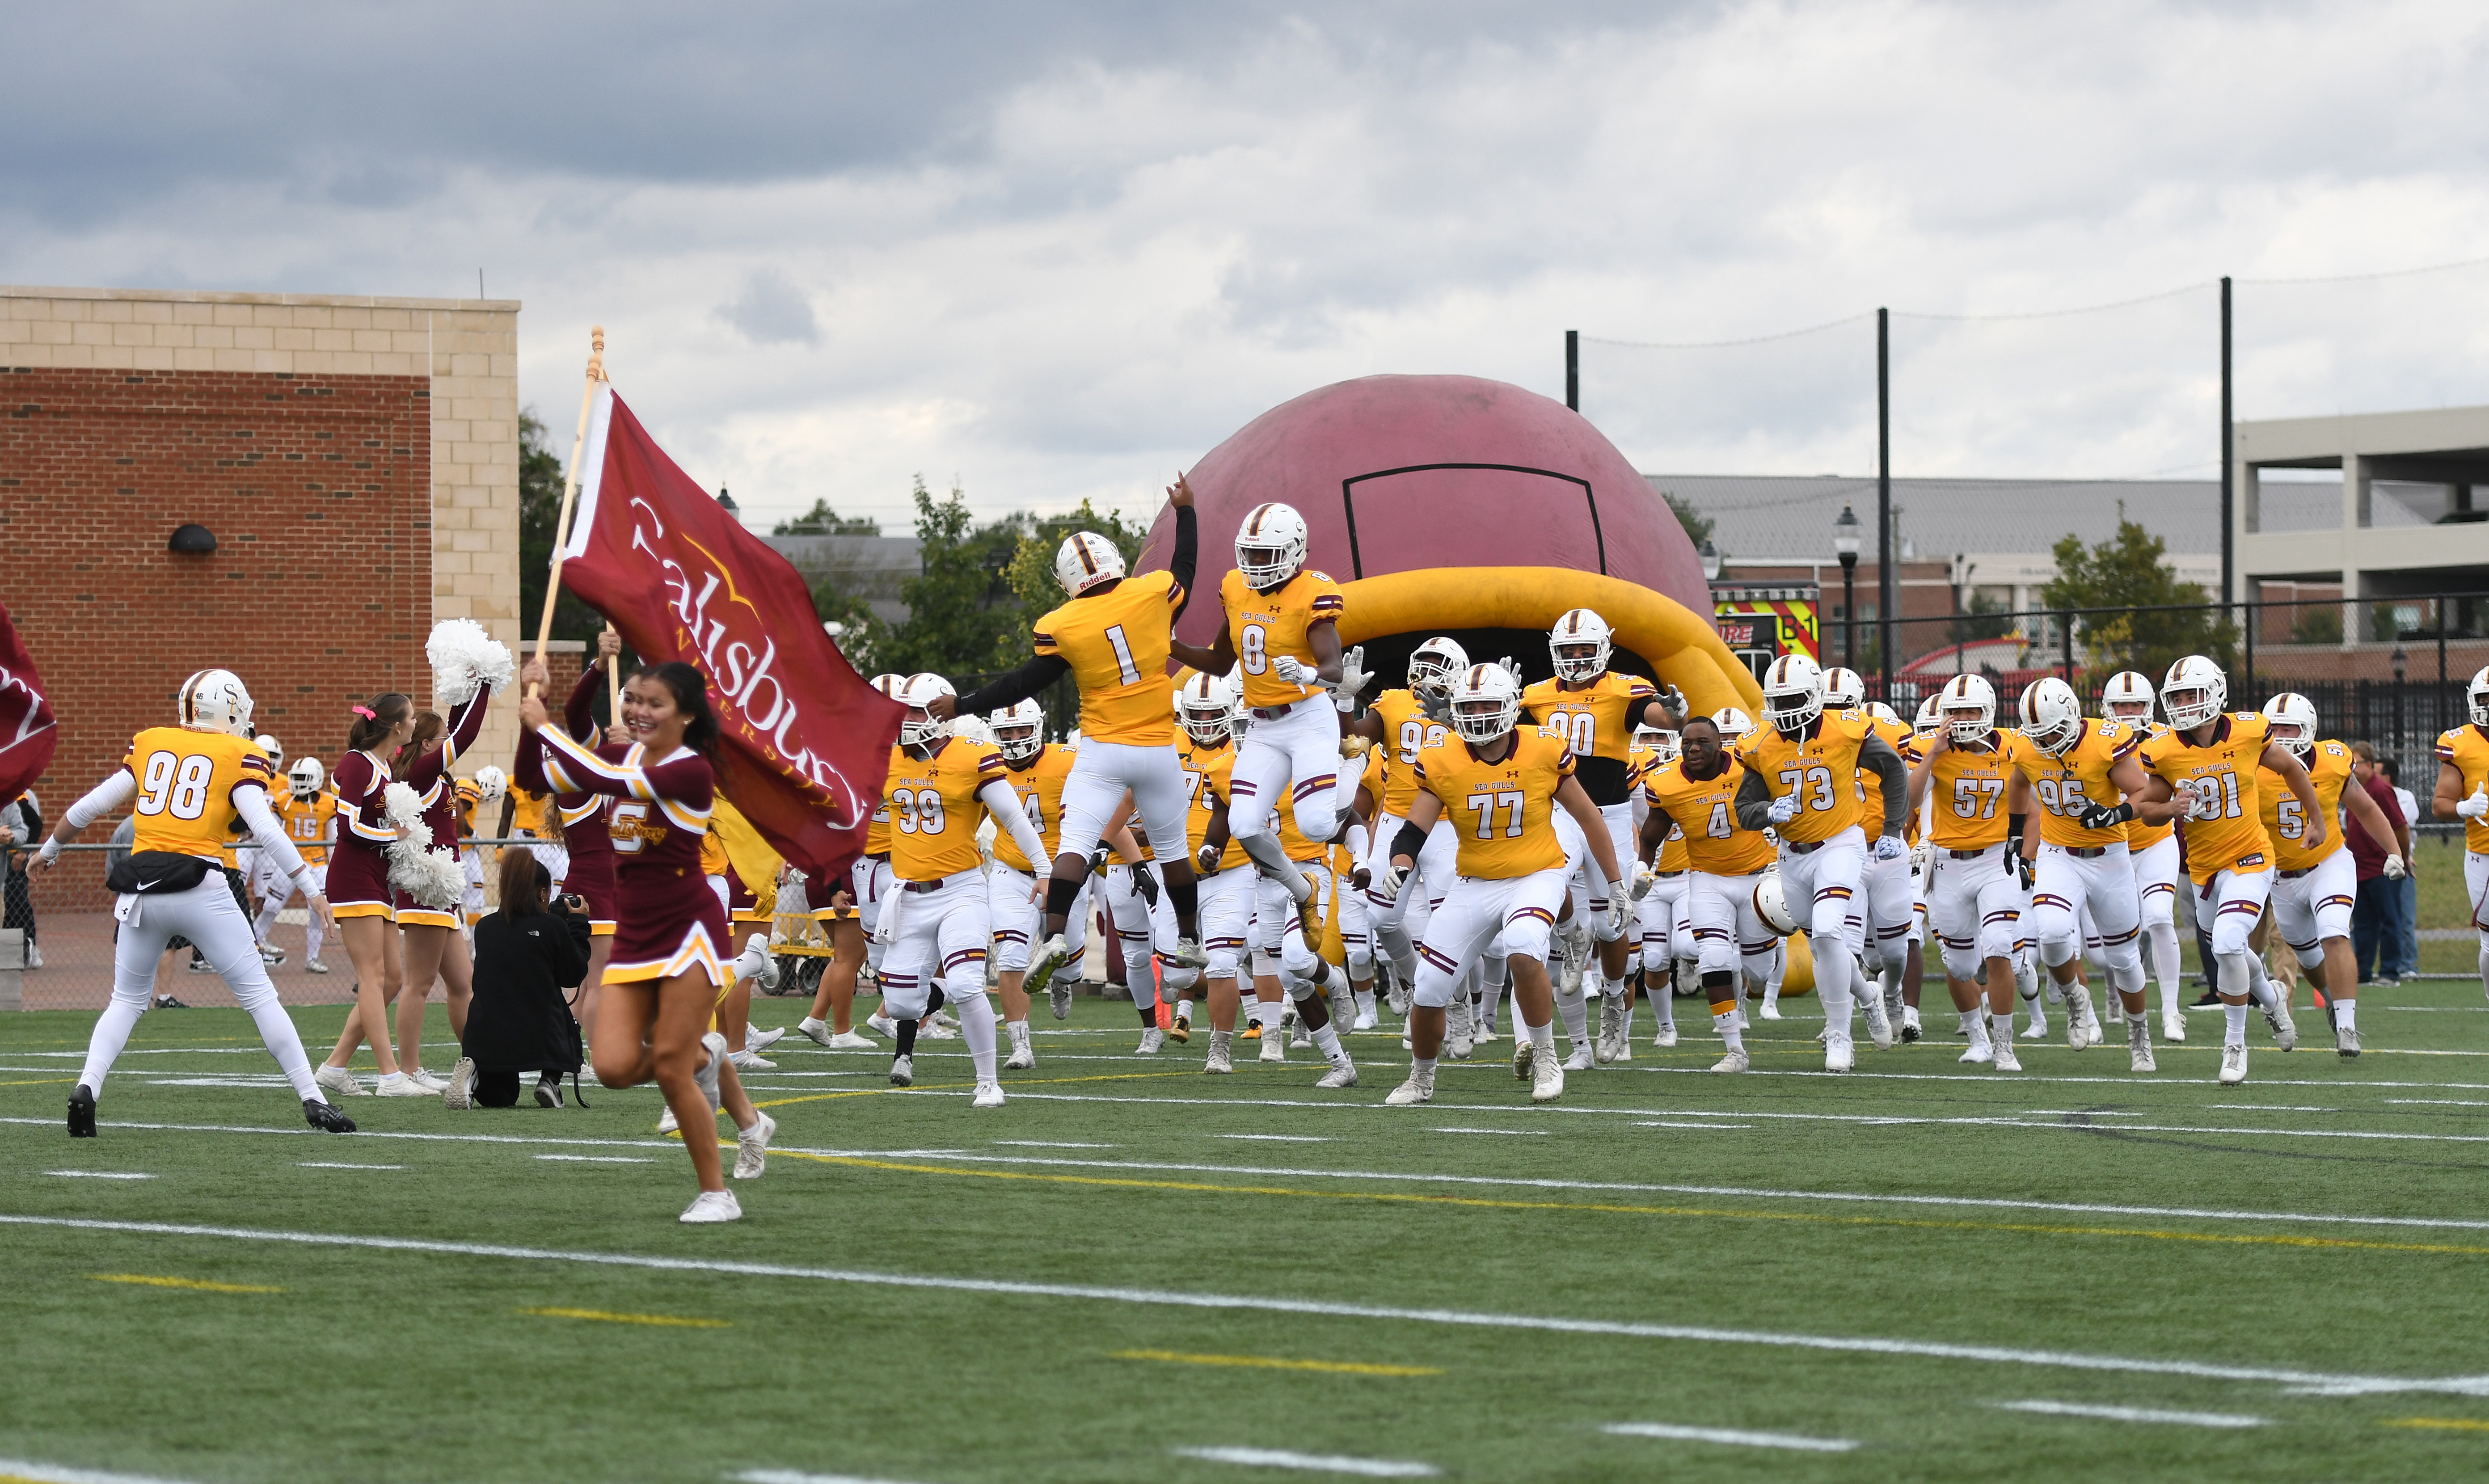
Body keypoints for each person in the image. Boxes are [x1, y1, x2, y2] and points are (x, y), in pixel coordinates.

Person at [35, 669, 354, 1136]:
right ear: (228, 710)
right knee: (261, 997)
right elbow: (265, 829)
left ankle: (88, 1086)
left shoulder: (150, 742)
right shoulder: (240, 752)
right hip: (201, 884)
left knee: (125, 1000)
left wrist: (49, 849)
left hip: (141, 887)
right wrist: (311, 887)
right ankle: (313, 1097)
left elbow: (93, 805)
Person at [518, 658, 769, 1223]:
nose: (637, 709)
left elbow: (615, 782)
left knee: (674, 1066)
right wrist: (527, 718)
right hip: (635, 933)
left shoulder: (691, 769)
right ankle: (708, 1054)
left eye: (653, 702)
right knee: (610, 1067)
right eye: (632, 699)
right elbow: (539, 778)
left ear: (685, 714)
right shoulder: (617, 754)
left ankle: (717, 1192)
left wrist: (547, 727)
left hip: (689, 930)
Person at [938, 476, 1210, 988]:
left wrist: (963, 703)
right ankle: (1191, 939)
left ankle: (1056, 934)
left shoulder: (1061, 623)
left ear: (1066, 578)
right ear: (1115, 560)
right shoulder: (1151, 592)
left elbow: (1023, 683)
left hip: (1103, 749)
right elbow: (1186, 569)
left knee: (1077, 844)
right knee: (1173, 850)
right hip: (1157, 747)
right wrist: (1186, 513)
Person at [1379, 663, 1626, 1106]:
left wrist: (1615, 882)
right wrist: (1400, 862)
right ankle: (1421, 1078)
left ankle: (1547, 1058)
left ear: (1511, 706)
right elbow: (1414, 827)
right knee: (1431, 984)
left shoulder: (1542, 747)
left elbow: (1589, 816)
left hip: (1538, 872)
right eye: (1470, 706)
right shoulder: (1442, 755)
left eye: (1487, 704)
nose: (1478, 714)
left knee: (1522, 943)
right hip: (1475, 881)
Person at [1168, 500, 1358, 936]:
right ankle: (1303, 890)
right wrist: (1169, 645)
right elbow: (1219, 661)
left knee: (1316, 823)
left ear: (1294, 551)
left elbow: (1334, 667)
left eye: (1264, 554)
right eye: (1248, 553)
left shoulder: (1313, 593)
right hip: (1262, 724)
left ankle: (1354, 764)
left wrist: (1309, 673)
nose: (1253, 564)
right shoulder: (1236, 588)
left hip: (1308, 716)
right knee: (1244, 823)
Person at [2131, 655, 2323, 1086]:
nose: (2182, 704)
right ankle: (2271, 997)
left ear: (2215, 693)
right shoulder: (2164, 749)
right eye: (2176, 696)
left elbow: (2293, 768)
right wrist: (2170, 808)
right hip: (2204, 868)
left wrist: (2318, 819)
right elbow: (2145, 810)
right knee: (2233, 950)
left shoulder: (2249, 730)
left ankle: (2235, 1045)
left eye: (2190, 694)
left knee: (2228, 943)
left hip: (2252, 856)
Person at [1517, 608, 1687, 1071]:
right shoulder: (1536, 694)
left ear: (1603, 651)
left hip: (1609, 815)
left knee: (1614, 926)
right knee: (1551, 893)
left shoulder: (1622, 688)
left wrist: (1669, 714)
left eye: (1583, 650)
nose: (1574, 658)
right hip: (1559, 811)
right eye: (1567, 650)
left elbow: (1653, 712)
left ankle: (1615, 1002)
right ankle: (1578, 1034)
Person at [875, 675, 1052, 1103]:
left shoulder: (972, 755)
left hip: (961, 890)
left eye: (916, 710)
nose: (907, 719)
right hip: (907, 895)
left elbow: (1013, 818)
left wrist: (1044, 867)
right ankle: (932, 997)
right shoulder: (882, 757)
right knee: (899, 1005)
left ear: (938, 713)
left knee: (969, 983)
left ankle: (989, 1083)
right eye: (905, 710)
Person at [1741, 653, 1908, 1072]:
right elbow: (1744, 808)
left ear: (1815, 696)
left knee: (1832, 928)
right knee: (1822, 944)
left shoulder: (1846, 729)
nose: (1784, 710)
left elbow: (1894, 771)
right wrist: (1767, 813)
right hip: (1792, 855)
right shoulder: (1761, 742)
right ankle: (1869, 997)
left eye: (1793, 699)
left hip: (1840, 843)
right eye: (1776, 702)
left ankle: (1839, 1035)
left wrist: (1892, 829)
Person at [2013, 676, 2172, 1072]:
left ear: (2070, 716)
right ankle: (2075, 998)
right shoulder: (2025, 747)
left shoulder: (2104, 742)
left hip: (2109, 857)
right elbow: (2018, 782)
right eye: (2040, 737)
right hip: (2058, 854)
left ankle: (2139, 1034)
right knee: (2050, 933)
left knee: (2123, 958)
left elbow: (2146, 792)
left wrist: (2116, 813)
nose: (2047, 745)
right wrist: (2017, 834)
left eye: (2053, 734)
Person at [1907, 674, 2039, 1070]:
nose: (1962, 719)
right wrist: (1933, 753)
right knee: (1959, 964)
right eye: (1955, 711)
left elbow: (2034, 812)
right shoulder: (1932, 747)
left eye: (1970, 711)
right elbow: (1908, 801)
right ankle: (1977, 1038)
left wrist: (2026, 858)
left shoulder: (2016, 746)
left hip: (1997, 858)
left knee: (1997, 944)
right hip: (1948, 863)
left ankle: (2004, 1045)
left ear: (1989, 713)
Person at [1638, 711, 1779, 1072]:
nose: (1693, 749)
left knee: (1760, 971)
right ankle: (1735, 1050)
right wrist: (1642, 867)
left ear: (1721, 745)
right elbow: (1652, 834)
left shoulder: (1746, 769)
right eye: (1686, 743)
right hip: (1705, 878)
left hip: (1755, 877)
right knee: (1714, 958)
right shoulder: (1667, 782)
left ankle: (1755, 960)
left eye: (1702, 742)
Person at [2268, 703, 2403, 1057]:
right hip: (2282, 877)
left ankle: (2347, 1027)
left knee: (2334, 932)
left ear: (2309, 729)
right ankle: (2331, 1001)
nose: (2282, 738)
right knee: (2309, 959)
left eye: (2290, 730)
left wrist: (2394, 851)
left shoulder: (2332, 760)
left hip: (2330, 863)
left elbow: (2366, 807)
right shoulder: (2253, 765)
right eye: (2276, 729)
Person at [1347, 637, 1467, 1024]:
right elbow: (1353, 740)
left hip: (1449, 825)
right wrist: (1344, 703)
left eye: (1439, 665)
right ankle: (1422, 984)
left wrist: (1457, 721)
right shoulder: (1395, 701)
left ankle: (1458, 1002)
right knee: (1381, 918)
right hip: (1398, 820)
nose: (1429, 673)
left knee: (1448, 923)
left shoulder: (1469, 705)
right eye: (1425, 663)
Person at [314, 694, 420, 1095]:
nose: (414, 723)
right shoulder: (355, 764)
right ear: (396, 727)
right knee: (372, 976)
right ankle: (390, 1076)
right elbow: (348, 827)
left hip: (378, 879)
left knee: (392, 977)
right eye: (411, 717)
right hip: (354, 878)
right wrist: (395, 836)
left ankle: (334, 1067)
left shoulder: (386, 765)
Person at [445, 850, 588, 1109]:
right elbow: (572, 976)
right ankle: (550, 1080)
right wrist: (578, 924)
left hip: (486, 1038)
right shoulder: (552, 927)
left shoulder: (486, 928)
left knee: (501, 1097)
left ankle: (474, 1076)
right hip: (539, 1033)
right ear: (543, 893)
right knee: (565, 1020)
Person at [982, 698, 1077, 1068]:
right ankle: (1021, 1046)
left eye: (1023, 729)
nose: (1016, 738)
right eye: (1007, 732)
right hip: (1012, 872)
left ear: (1038, 727)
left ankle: (1062, 979)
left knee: (1070, 961)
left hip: (1065, 873)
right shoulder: (986, 764)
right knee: (1010, 956)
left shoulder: (1069, 760)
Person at [1824, 667, 1917, 1037]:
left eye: (1840, 705)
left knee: (1894, 953)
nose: (1831, 713)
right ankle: (1840, 1023)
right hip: (1843, 849)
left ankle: (1891, 992)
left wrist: (1900, 831)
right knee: (1840, 942)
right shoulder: (1805, 737)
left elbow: (1905, 783)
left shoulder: (1888, 733)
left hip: (1886, 848)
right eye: (1826, 705)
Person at [2100, 670, 2188, 1043]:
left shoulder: (2166, 740)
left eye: (2136, 704)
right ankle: (2114, 996)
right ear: (2108, 707)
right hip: (2112, 850)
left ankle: (2171, 1010)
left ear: (2149, 706)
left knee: (2158, 916)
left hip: (2155, 842)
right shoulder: (2094, 742)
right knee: (2111, 942)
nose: (2129, 711)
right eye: (2122, 704)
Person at [1176, 673, 1258, 1073]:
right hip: (1176, 876)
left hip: (1233, 872)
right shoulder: (1166, 746)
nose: (1205, 723)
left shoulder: (1247, 749)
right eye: (1197, 714)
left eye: (1214, 714)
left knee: (1223, 961)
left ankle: (1219, 1049)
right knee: (1176, 972)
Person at [2434, 667, 2489, 1007]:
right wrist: (2465, 807)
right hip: (2484, 855)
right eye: (2486, 699)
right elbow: (2440, 805)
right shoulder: (2461, 744)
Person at [256, 757, 336, 972]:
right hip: (290, 863)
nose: (298, 783)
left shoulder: (329, 803)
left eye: (304, 778)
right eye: (296, 778)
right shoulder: (283, 800)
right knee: (270, 907)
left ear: (317, 779)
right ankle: (253, 949)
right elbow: (272, 824)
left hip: (318, 863)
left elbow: (334, 837)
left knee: (316, 913)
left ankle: (312, 958)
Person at [2381, 754, 2422, 982]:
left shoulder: (2405, 798)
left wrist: (2403, 856)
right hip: (2373, 865)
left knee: (2405, 919)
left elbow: (2397, 823)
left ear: (2387, 777)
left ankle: (2408, 967)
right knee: (2368, 922)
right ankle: (2363, 968)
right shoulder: (2364, 795)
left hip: (2402, 863)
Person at [4, 789, 40, 968]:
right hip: (8, 857)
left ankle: (29, 945)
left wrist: (24, 853)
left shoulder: (19, 795)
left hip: (14, 858)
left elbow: (35, 824)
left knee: (17, 902)